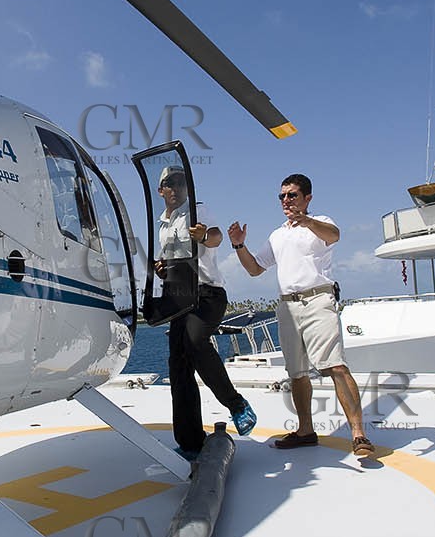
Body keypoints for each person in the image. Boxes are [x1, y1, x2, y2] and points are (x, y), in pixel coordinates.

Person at [228, 173, 375, 459]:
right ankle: (306, 430)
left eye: (292, 195)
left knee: (335, 366)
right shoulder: (277, 235)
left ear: (307, 198)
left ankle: (359, 434)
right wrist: (238, 245)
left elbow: (334, 236)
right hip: (287, 306)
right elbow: (255, 269)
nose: (286, 200)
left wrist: (306, 221)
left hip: (318, 299)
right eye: (282, 196)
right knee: (296, 373)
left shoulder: (321, 224)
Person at [155, 166, 257, 459]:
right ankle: (189, 441)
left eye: (180, 183)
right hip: (178, 297)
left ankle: (236, 403)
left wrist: (202, 237)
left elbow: (214, 237)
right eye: (169, 184)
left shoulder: (198, 209)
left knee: (194, 342)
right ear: (160, 190)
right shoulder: (163, 224)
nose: (175, 188)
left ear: (187, 188)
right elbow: (173, 260)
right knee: (178, 366)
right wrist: (162, 268)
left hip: (207, 295)